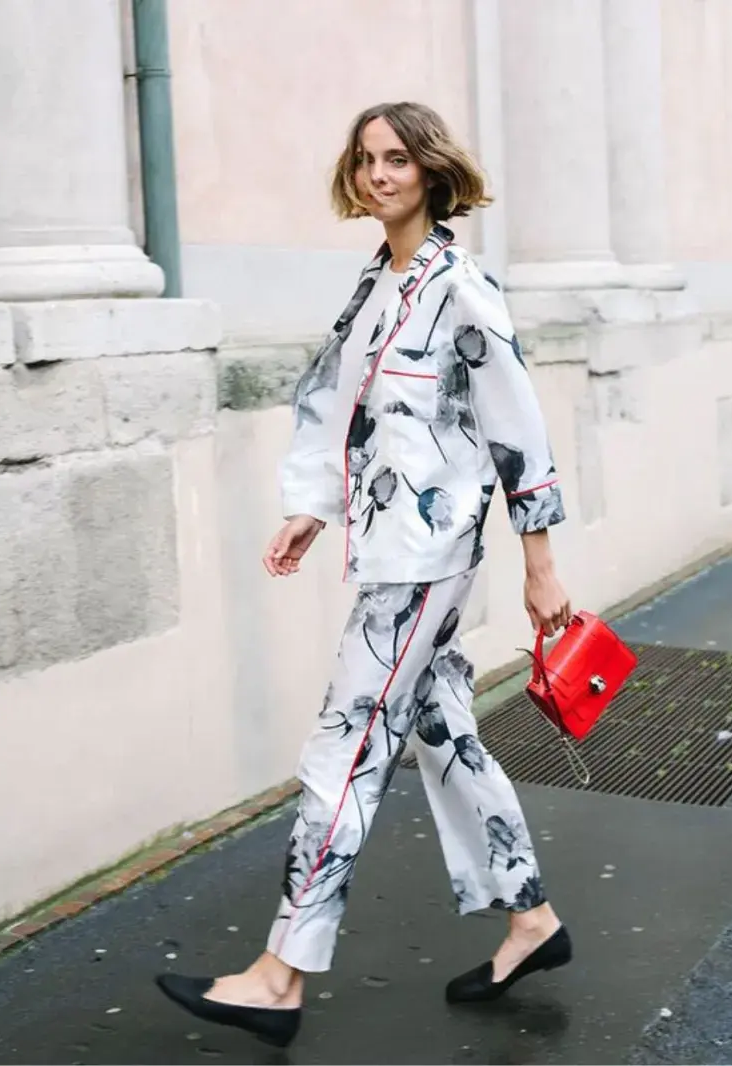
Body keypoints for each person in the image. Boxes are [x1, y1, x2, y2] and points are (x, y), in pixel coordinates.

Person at [155, 101, 574, 1049]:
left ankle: (280, 973)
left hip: (428, 557)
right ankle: (531, 918)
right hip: (388, 545)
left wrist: (540, 560)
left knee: (345, 748)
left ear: (431, 170)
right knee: (440, 728)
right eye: (365, 158)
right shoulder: (378, 283)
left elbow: (519, 423)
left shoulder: (460, 286)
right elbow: (344, 407)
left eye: (396, 159)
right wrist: (314, 507)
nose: (378, 172)